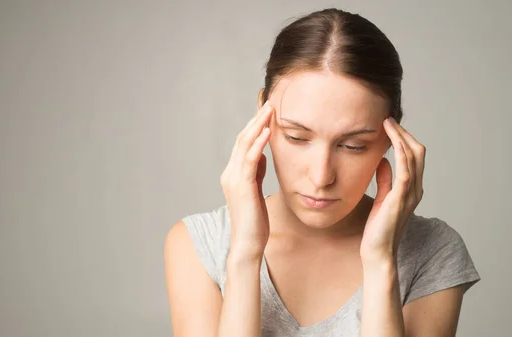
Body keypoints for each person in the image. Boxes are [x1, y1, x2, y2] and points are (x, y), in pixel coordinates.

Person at [164, 7, 481, 337]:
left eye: (353, 145)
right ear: (262, 117)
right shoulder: (199, 244)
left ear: (392, 137)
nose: (321, 177)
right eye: (297, 137)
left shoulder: (433, 251)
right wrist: (244, 256)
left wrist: (381, 263)